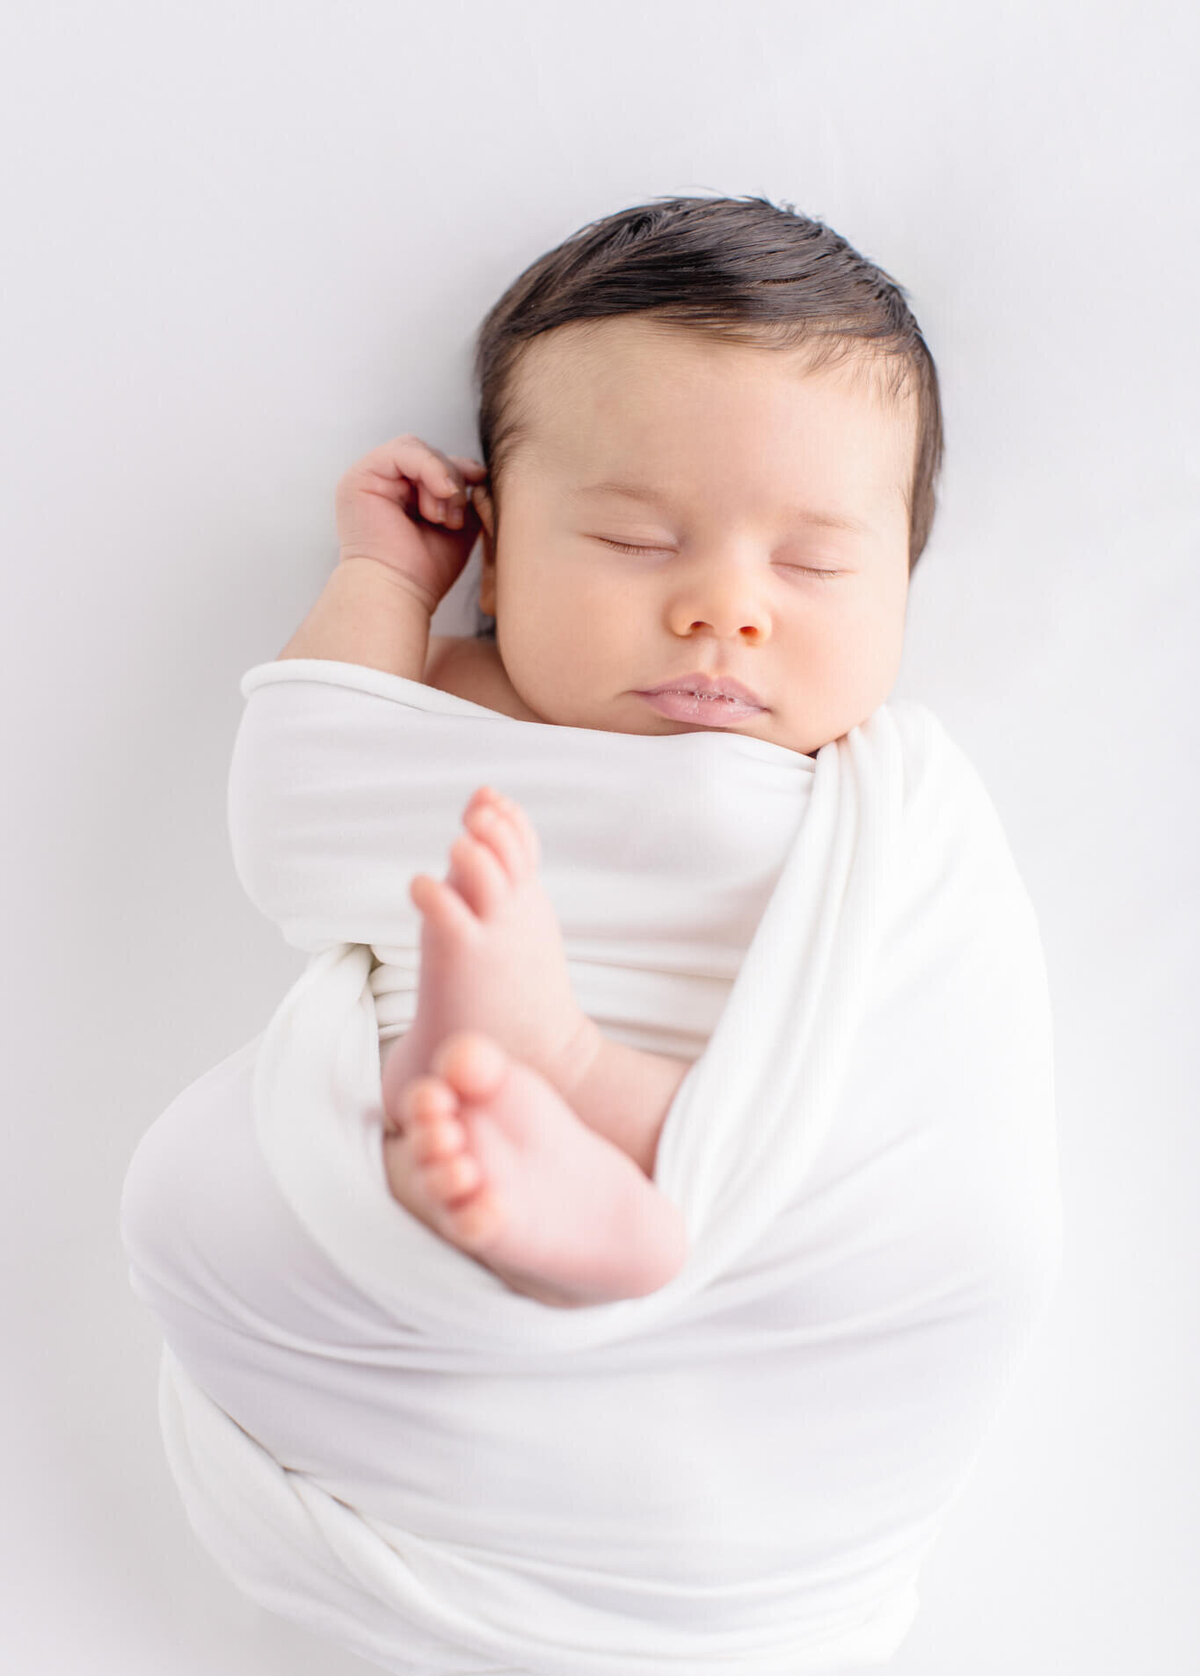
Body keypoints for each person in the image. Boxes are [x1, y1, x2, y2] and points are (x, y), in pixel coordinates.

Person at [278, 195, 928, 1311]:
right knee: (405, 1112)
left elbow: (933, 1107)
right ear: (496, 558)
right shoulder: (446, 694)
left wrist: (581, 1071)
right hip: (438, 1112)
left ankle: (597, 1166)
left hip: (712, 1121)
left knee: (800, 1136)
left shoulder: (890, 809)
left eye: (812, 565)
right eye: (636, 543)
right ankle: (506, 1173)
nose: (724, 612)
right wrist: (385, 579)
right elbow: (300, 795)